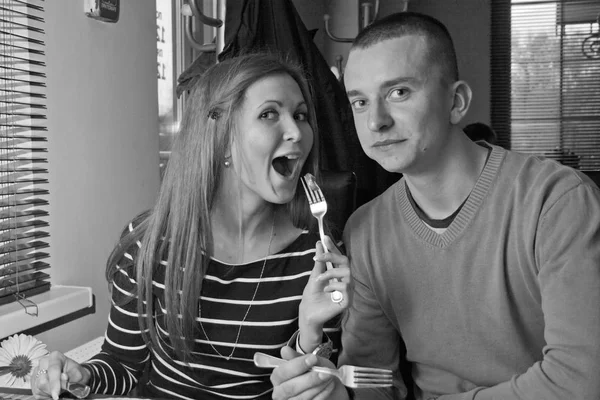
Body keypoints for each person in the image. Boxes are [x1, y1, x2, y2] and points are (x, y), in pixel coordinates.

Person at [270, 11, 600, 400]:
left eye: (399, 92)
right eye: (359, 101)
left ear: (456, 102)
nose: (376, 121)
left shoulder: (557, 201)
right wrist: (331, 392)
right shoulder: (366, 229)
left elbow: (579, 381)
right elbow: (374, 382)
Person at [30, 53, 352, 400]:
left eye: (301, 115)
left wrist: (311, 335)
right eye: (269, 114)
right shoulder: (150, 244)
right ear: (221, 138)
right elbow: (123, 363)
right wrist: (83, 374)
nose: (297, 132)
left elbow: (309, 386)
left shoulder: (316, 258)